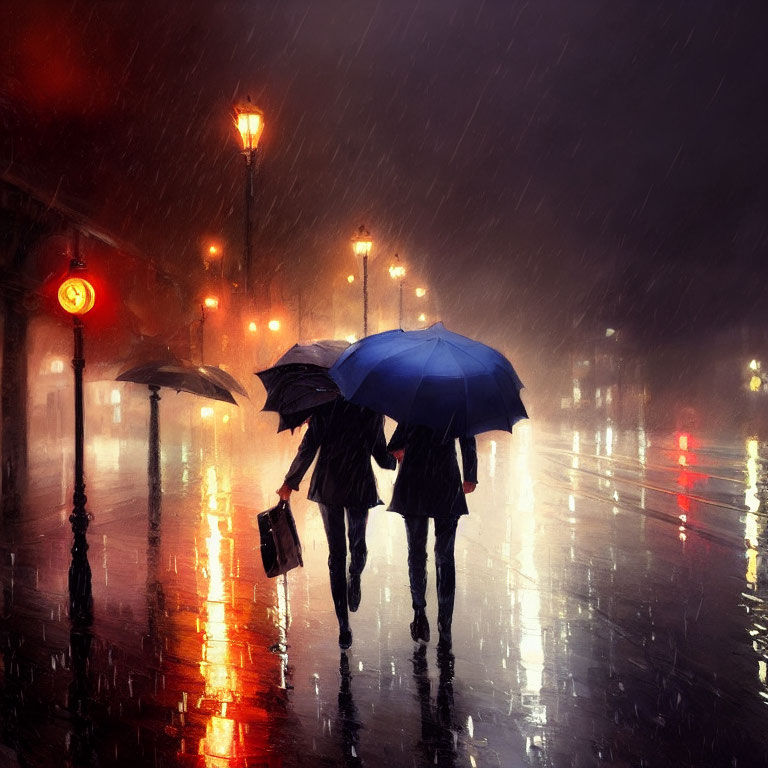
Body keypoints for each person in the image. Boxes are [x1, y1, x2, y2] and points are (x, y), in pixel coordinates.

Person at [277, 398, 396, 649]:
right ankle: (347, 608)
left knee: (339, 555)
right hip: (357, 485)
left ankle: (344, 620)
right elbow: (382, 457)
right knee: (354, 547)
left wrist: (290, 481)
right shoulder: (371, 407)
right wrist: (398, 455)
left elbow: (308, 447)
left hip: (330, 485)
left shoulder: (324, 405)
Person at [387, 423, 477, 654]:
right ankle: (444, 628)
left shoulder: (414, 395)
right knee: (445, 557)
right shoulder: (458, 395)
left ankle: (419, 614)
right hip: (445, 481)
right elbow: (467, 437)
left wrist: (401, 450)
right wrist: (470, 475)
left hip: (414, 481)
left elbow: (395, 444)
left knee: (417, 554)